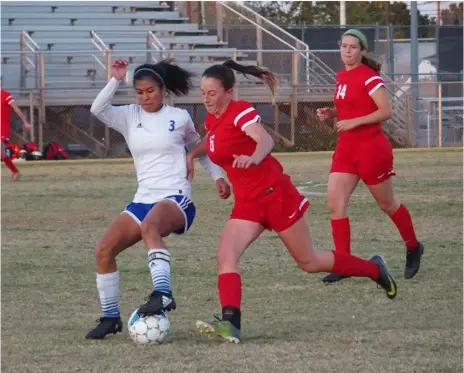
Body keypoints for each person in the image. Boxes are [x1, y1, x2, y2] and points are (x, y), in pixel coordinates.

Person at [187, 60, 398, 344]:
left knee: (309, 262)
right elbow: (213, 142)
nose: (206, 98)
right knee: (226, 256)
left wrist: (254, 157)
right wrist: (193, 156)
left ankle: (375, 269)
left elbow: (264, 141)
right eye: (203, 93)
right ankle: (231, 324)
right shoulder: (213, 119)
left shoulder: (241, 112)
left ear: (229, 92)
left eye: (211, 93)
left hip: (275, 195)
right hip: (248, 203)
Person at [85, 59, 229, 339]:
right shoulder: (128, 116)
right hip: (143, 199)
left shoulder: (180, 117)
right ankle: (110, 317)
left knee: (149, 227)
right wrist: (115, 80)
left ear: (163, 90)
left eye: (150, 91)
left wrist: (218, 177)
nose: (144, 97)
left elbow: (199, 149)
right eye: (139, 92)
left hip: (176, 197)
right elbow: (97, 109)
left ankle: (162, 293)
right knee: (104, 250)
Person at [316, 29, 423, 283]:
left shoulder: (369, 77)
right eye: (344, 46)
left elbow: (384, 111)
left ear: (362, 51)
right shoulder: (341, 76)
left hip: (371, 148)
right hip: (346, 149)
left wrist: (353, 122)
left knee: (387, 204)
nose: (348, 51)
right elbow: (349, 107)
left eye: (353, 47)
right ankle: (344, 263)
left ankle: (413, 246)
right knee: (335, 204)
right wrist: (331, 113)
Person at [1, 79, 31, 180]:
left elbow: (16, 109)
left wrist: (25, 122)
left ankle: (15, 171)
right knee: (2, 154)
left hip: (3, 127)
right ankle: (15, 172)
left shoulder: (6, 95)